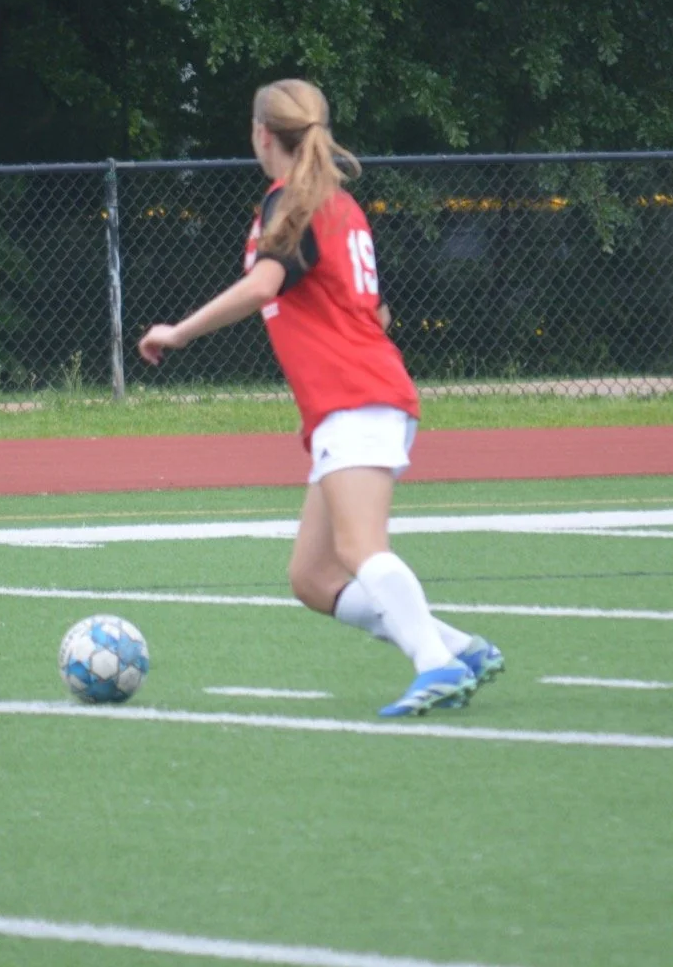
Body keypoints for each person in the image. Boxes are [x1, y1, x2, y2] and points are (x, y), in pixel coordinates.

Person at [137, 79, 502, 717]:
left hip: (355, 397)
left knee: (361, 549)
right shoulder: (335, 203)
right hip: (362, 396)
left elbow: (262, 287)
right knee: (313, 578)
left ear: (262, 134)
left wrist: (179, 331)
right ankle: (458, 648)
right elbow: (376, 312)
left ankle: (434, 663)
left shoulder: (294, 202)